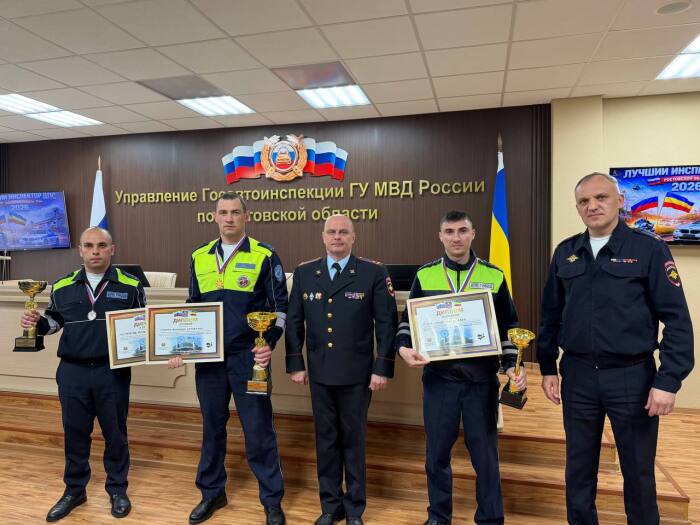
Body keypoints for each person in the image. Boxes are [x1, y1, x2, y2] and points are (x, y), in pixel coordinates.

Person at [537, 173, 694, 525]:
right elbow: (550, 315)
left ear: (620, 201)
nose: (592, 206)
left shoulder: (649, 249)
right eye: (584, 201)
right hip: (577, 376)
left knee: (638, 473)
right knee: (578, 470)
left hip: (631, 377)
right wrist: (547, 366)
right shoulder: (566, 253)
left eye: (601, 198)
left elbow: (677, 320)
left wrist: (668, 381)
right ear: (577, 207)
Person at [396, 210, 525, 525]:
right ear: (440, 236)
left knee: (485, 457)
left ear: (473, 234)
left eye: (462, 230)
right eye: (450, 231)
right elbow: (407, 322)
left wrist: (511, 365)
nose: (456, 237)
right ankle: (438, 516)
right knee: (437, 455)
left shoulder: (494, 275)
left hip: (481, 382)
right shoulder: (425, 275)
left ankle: (491, 519)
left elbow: (508, 325)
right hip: (439, 381)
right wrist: (403, 348)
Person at [169, 192, 288, 525]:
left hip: (249, 359)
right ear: (215, 217)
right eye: (223, 212)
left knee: (258, 429)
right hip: (209, 360)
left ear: (246, 216)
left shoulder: (265, 255)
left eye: (236, 212)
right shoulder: (199, 256)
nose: (230, 218)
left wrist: (269, 343)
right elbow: (193, 307)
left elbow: (280, 308)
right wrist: (180, 345)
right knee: (212, 428)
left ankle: (272, 500)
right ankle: (211, 493)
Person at [20, 227, 146, 522]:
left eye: (101, 245)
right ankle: (74, 490)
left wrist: (166, 348)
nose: (95, 251)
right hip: (72, 371)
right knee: (75, 433)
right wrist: (37, 323)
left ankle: (117, 489)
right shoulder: (62, 285)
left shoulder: (131, 285)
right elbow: (54, 323)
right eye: (89, 246)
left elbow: (144, 325)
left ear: (112, 249)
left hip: (111, 372)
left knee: (116, 434)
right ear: (80, 250)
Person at [285, 214, 398, 525]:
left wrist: (382, 368)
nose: (337, 237)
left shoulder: (373, 272)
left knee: (353, 440)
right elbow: (294, 322)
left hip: (357, 374)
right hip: (319, 373)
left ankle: (354, 509)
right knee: (325, 440)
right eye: (332, 232)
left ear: (353, 237)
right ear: (323, 237)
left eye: (343, 232)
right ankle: (330, 506)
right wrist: (295, 363)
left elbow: (386, 324)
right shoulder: (305, 272)